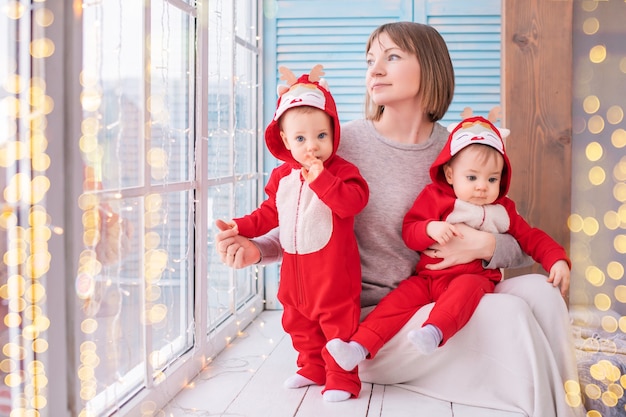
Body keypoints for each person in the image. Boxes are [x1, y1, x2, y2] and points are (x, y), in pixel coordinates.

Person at [215, 22, 585, 416]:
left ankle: (572, 408)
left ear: (430, 68)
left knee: (542, 294)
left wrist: (485, 246)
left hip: (439, 298)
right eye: (371, 60)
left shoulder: (458, 151)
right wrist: (255, 249)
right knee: (507, 312)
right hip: (367, 327)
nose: (374, 70)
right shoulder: (339, 144)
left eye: (391, 57)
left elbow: (513, 233)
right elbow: (299, 225)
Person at [325, 115, 572, 375]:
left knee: (463, 293)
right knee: (396, 303)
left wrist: (556, 258)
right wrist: (430, 228)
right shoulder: (436, 198)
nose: (481, 188)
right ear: (451, 174)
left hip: (473, 279)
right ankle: (359, 346)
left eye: (492, 179)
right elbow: (410, 231)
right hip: (427, 278)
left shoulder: (503, 210)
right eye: (472, 177)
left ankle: (434, 331)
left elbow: (531, 238)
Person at [215, 65, 369, 402]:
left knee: (338, 327)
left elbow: (353, 203)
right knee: (298, 322)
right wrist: (239, 225)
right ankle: (311, 367)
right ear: (285, 140)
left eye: (321, 136)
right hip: (295, 273)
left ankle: (343, 378)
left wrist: (322, 180)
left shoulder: (341, 172)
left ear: (333, 134)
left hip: (334, 274)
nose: (312, 146)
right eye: (300, 138)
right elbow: (269, 213)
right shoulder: (283, 176)